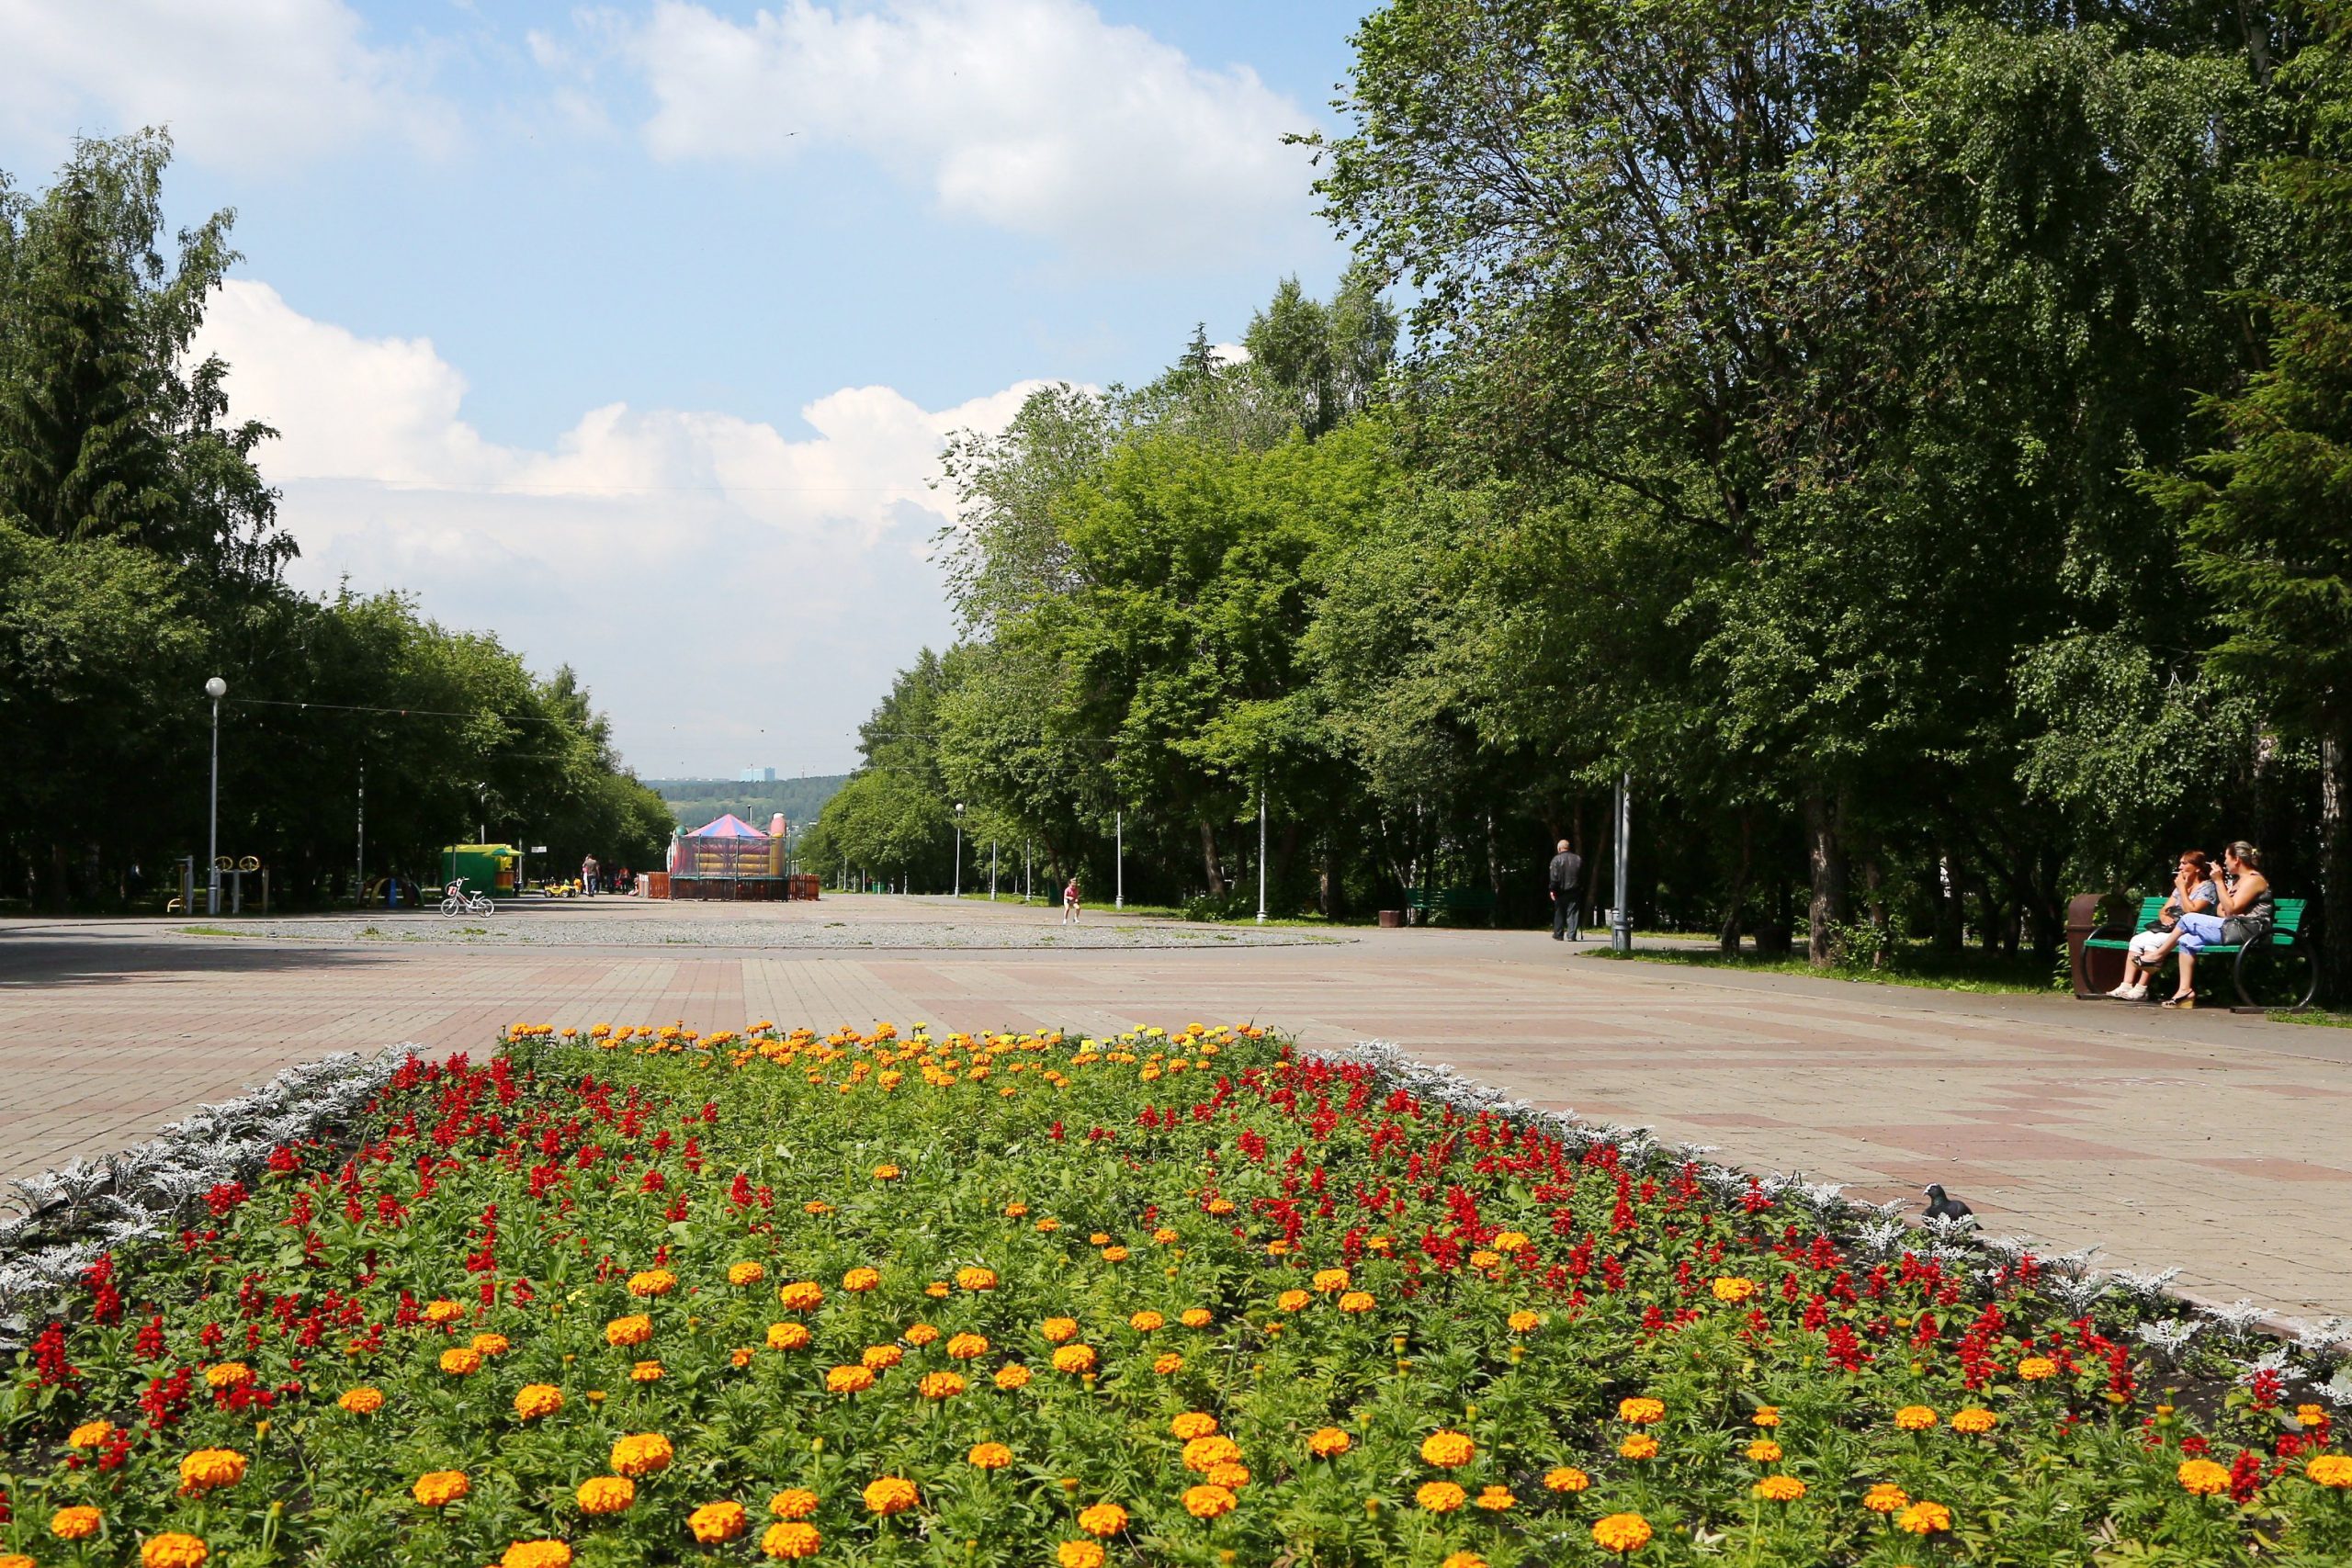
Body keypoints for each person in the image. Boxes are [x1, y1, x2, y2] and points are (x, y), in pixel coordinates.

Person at [2162, 840, 2273, 1008]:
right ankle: (2184, 991)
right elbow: (2222, 910)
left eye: (2227, 857)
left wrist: (2219, 883)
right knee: (2187, 940)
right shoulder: (2239, 881)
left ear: (2236, 859)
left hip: (2252, 931)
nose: (2225, 862)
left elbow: (2230, 908)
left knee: (2189, 918)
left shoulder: (2254, 880)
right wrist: (2231, 909)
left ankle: (2158, 956)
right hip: (2235, 927)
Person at [2107, 850, 2217, 999]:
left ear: (2197, 868)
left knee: (2152, 941)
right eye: (2180, 863)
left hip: (2193, 932)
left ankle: (2141, 988)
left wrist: (2182, 889)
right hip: (2172, 928)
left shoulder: (2207, 887)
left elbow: (2191, 911)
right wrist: (2164, 917)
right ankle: (2126, 985)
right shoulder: (2182, 885)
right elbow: (2164, 909)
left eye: (2184, 863)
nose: (2180, 867)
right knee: (2136, 940)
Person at [1546, 839, 1584, 941]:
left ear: (1559, 848)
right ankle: (1572, 935)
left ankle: (1558, 934)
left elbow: (1554, 877)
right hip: (1575, 890)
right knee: (1573, 913)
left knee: (1559, 912)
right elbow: (1582, 876)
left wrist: (1552, 890)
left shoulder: (1556, 860)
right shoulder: (1577, 859)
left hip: (1560, 890)